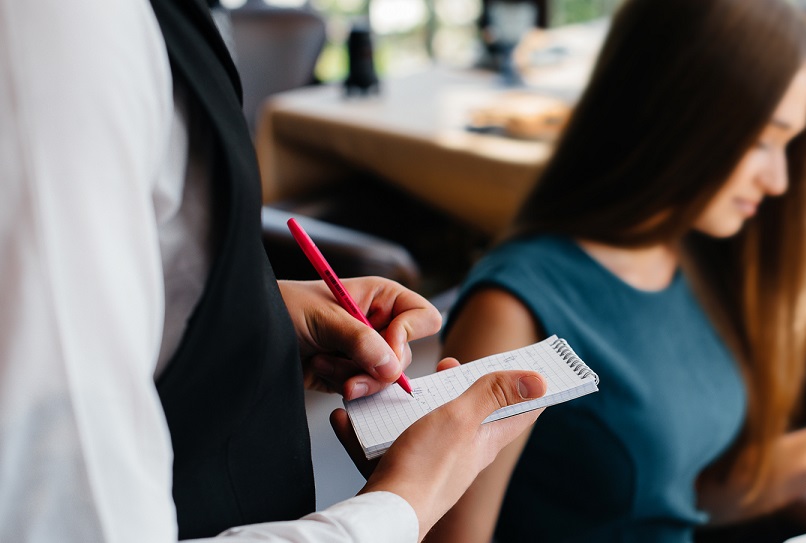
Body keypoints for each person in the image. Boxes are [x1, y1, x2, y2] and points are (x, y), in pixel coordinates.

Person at [431, 0, 806, 541]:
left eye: (788, 144)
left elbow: (692, 494)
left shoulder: (693, 256)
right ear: (677, 114)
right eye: (764, 140)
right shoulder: (514, 311)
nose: (779, 180)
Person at [0, 0, 545, 541]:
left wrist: (258, 311)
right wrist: (407, 500)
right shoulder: (62, 29)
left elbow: (112, 282)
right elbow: (67, 519)